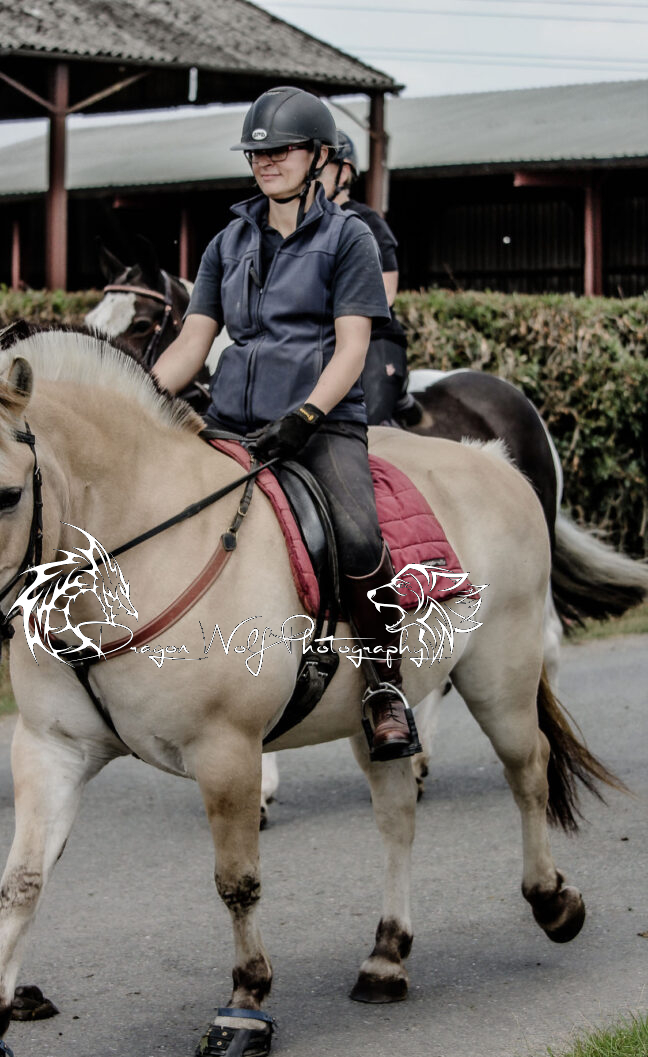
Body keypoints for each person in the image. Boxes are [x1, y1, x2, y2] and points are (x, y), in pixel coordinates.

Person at [152, 86, 419, 760]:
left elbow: (352, 347)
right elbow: (193, 341)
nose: (266, 161)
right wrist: (142, 395)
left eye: (282, 150)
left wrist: (306, 416)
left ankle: (385, 688)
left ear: (319, 155)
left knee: (358, 538)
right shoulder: (227, 242)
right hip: (231, 423)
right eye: (256, 153)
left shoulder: (350, 238)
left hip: (320, 426)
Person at [320, 130, 422, 427]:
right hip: (322, 342)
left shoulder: (367, 222)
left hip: (374, 341)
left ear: (344, 173)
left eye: (319, 170)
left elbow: (386, 293)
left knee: (369, 425)